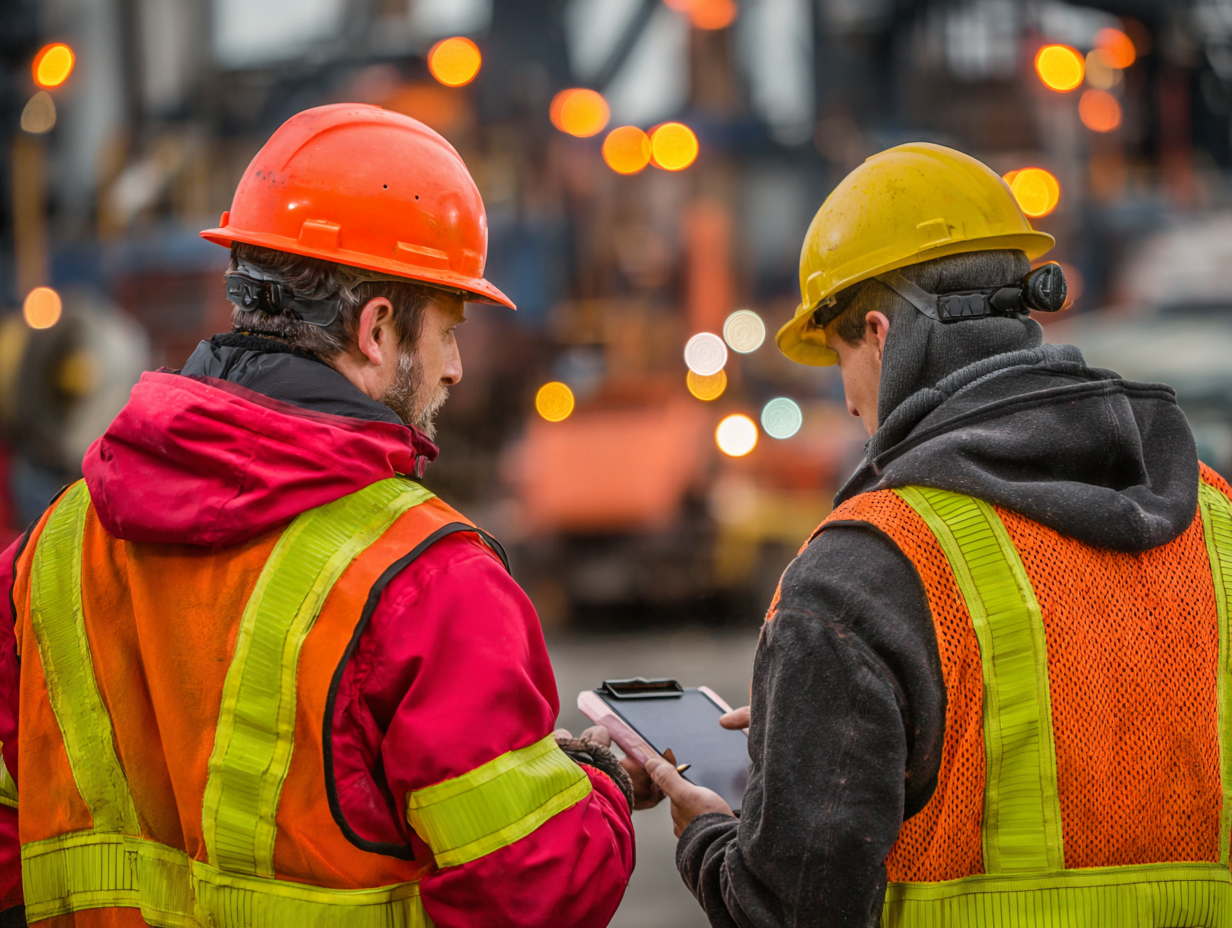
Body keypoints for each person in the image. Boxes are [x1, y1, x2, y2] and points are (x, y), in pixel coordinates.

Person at [0, 104, 634, 928]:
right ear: (377, 330)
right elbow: (528, 892)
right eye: (448, 329)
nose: (455, 368)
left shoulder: (53, 546)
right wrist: (608, 792)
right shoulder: (429, 580)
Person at [632, 143, 1232, 927]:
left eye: (839, 360)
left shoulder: (863, 570)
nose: (848, 404)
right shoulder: (1210, 515)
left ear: (880, 335)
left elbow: (788, 911)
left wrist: (708, 835)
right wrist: (838, 709)